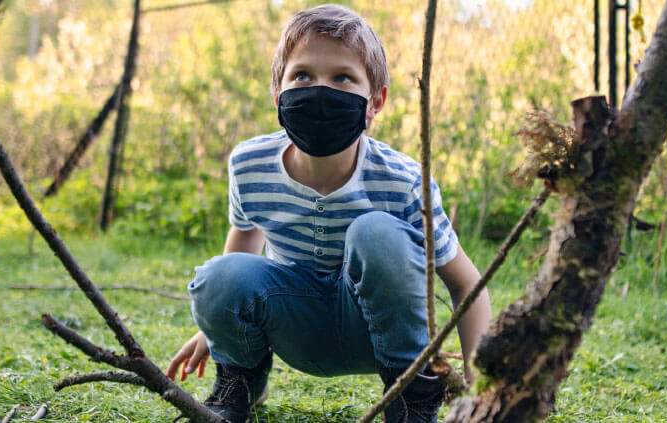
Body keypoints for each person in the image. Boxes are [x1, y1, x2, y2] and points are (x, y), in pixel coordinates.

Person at [164, 5, 491, 423]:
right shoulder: (249, 164)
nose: (321, 90)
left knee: (376, 232)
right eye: (302, 75)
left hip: (376, 335)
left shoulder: (405, 181)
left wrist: (484, 390)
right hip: (294, 329)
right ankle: (240, 382)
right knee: (215, 274)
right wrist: (215, 331)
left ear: (375, 102)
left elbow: (468, 286)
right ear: (278, 95)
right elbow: (240, 256)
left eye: (342, 77)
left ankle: (409, 395)